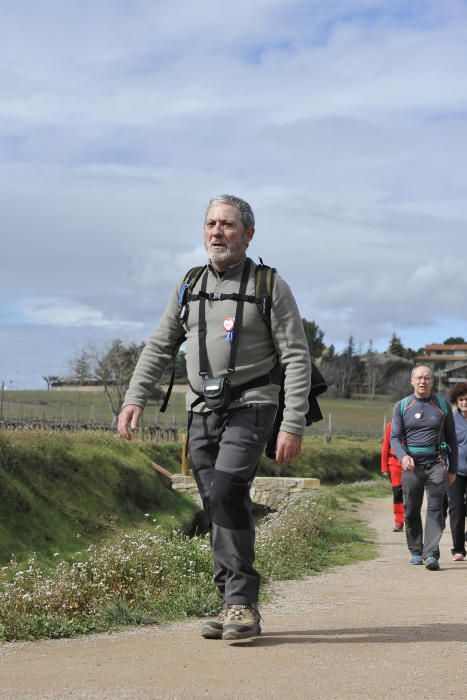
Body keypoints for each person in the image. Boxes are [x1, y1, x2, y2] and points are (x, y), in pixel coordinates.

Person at [117, 194, 311, 640]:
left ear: (248, 233)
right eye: (210, 224)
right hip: (201, 408)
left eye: (226, 224)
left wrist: (292, 422)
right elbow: (159, 344)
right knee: (218, 501)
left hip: (254, 402)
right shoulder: (189, 284)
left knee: (227, 487)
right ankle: (232, 603)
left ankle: (241, 601)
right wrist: (134, 399)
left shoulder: (269, 285)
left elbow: (297, 357)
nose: (216, 232)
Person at [390, 365, 457, 570]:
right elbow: (394, 438)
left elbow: (452, 439)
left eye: (427, 378)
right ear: (411, 381)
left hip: (437, 463)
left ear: (433, 382)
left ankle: (432, 554)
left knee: (436, 508)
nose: (422, 382)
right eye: (419, 378)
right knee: (411, 509)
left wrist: (452, 469)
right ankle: (416, 551)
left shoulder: (442, 406)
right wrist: (403, 457)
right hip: (411, 466)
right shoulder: (402, 406)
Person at [447, 382, 467, 561]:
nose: (464, 403)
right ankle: (458, 548)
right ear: (456, 401)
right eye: (461, 400)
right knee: (456, 509)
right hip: (456, 472)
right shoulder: (451, 420)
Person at [381, 420, 404, 532]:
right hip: (394, 465)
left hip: (412, 464)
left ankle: (411, 521)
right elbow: (385, 446)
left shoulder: (415, 423)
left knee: (411, 494)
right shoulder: (390, 425)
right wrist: (384, 467)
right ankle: (399, 522)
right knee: (398, 494)